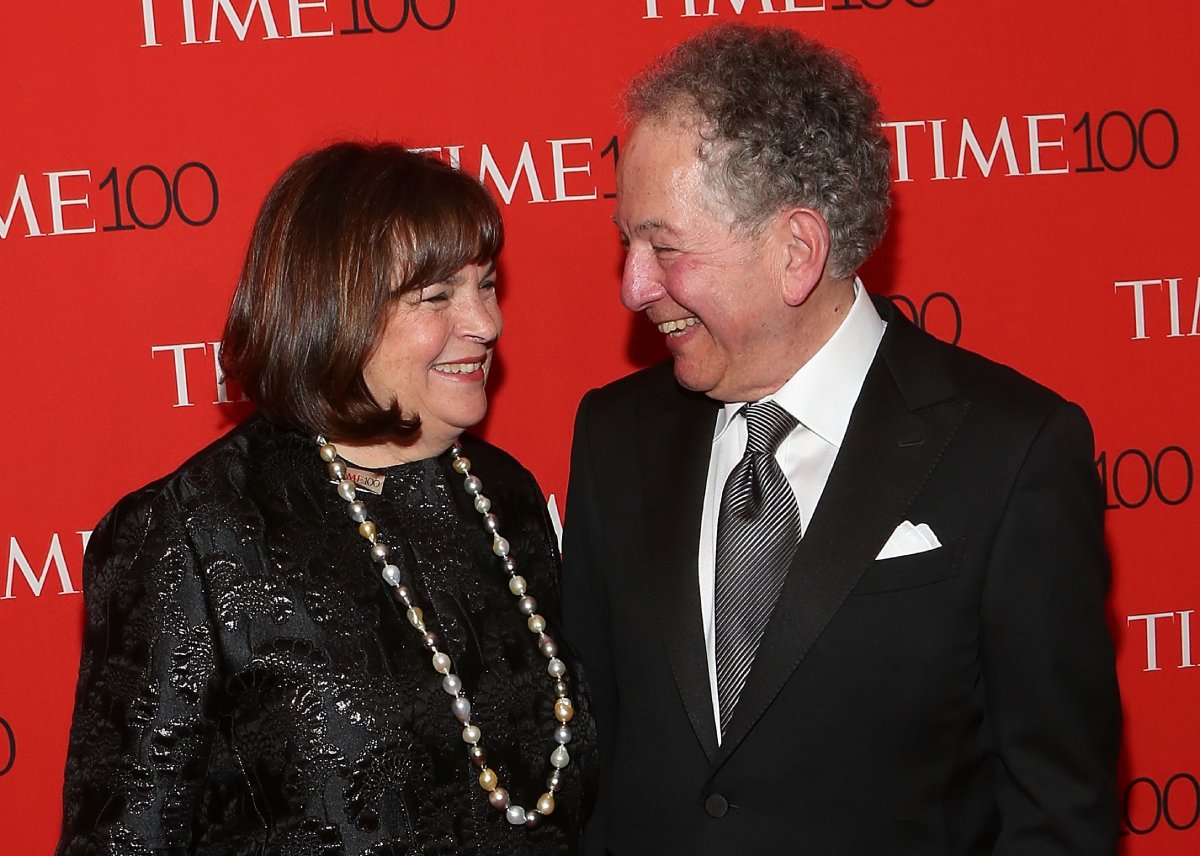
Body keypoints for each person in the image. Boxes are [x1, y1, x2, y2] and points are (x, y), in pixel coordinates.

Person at [561, 24, 1119, 854]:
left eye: (663, 247)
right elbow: (595, 762)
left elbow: (1056, 811)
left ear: (796, 252)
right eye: (626, 242)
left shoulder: (1013, 452)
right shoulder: (615, 437)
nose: (633, 285)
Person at [57, 141, 596, 855]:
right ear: (334, 310)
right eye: (438, 296)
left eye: (487, 285)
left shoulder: (506, 497)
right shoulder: (194, 531)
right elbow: (125, 839)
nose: (486, 323)